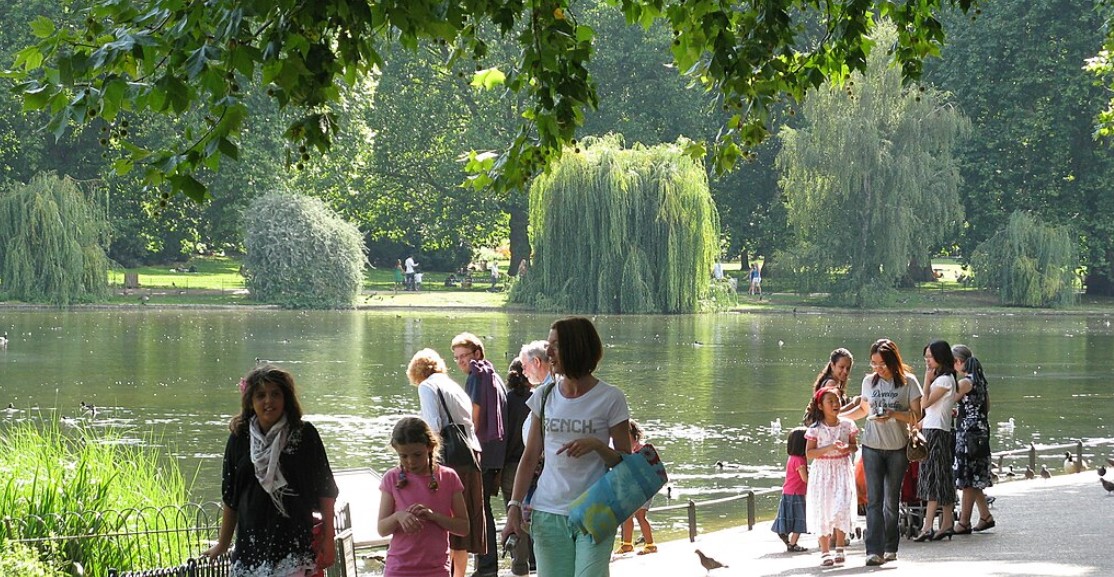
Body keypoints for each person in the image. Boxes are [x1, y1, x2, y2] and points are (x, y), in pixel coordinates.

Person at [502, 317, 632, 577]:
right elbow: (529, 457)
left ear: (578, 348)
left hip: (596, 509)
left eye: (556, 346)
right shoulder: (545, 394)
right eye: (549, 345)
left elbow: (626, 464)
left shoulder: (611, 398)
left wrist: (597, 446)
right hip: (548, 510)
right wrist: (514, 508)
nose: (549, 353)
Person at [202, 366, 339, 577]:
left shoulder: (304, 435)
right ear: (250, 401)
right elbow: (231, 497)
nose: (269, 401)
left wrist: (328, 538)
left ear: (286, 398)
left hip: (294, 545)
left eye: (276, 394)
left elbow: (326, 491)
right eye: (261, 395)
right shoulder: (239, 438)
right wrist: (222, 544)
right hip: (250, 547)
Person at [841, 338, 922, 567]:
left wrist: (894, 414)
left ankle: (890, 546)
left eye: (882, 364)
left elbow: (917, 415)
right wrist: (837, 418)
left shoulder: (908, 383)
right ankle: (873, 550)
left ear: (892, 361)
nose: (877, 368)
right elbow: (863, 410)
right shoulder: (869, 381)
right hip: (872, 447)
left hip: (897, 448)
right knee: (874, 500)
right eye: (874, 363)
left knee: (891, 501)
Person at [407, 349, 486, 577]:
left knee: (445, 519)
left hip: (451, 459)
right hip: (471, 455)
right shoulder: (453, 385)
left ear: (416, 372)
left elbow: (433, 427)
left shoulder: (427, 386)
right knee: (463, 525)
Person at [378, 417, 470, 577]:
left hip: (437, 569)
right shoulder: (391, 478)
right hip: (398, 569)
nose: (411, 461)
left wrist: (433, 516)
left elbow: (463, 528)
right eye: (403, 456)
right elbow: (382, 529)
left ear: (430, 447)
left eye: (417, 455)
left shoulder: (448, 477)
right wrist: (398, 516)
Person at [450, 333, 507, 577]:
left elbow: (475, 415)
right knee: (485, 510)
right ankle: (487, 565)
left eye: (464, 356)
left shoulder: (477, 376)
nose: (462, 362)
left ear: (477, 353)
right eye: (457, 358)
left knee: (479, 510)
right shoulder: (493, 375)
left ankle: (485, 568)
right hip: (497, 453)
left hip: (482, 453)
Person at [805, 387, 858, 567]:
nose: (835, 404)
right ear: (820, 406)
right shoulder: (815, 429)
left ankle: (841, 547)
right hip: (823, 471)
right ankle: (825, 551)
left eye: (837, 400)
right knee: (823, 508)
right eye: (830, 401)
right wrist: (828, 448)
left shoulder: (847, 424)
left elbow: (854, 446)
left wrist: (847, 448)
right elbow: (809, 453)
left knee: (842, 505)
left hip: (842, 468)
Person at [912, 340, 959, 542]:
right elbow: (933, 412)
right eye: (926, 358)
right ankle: (946, 522)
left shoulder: (943, 381)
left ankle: (928, 525)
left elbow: (925, 403)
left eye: (930, 357)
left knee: (933, 477)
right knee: (942, 476)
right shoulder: (945, 379)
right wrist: (919, 425)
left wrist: (926, 379)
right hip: (934, 428)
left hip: (937, 433)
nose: (927, 362)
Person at [950, 344, 995, 535]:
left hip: (968, 433)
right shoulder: (980, 382)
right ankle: (985, 516)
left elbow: (948, 399)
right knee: (975, 475)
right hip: (981, 431)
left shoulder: (965, 383)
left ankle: (964, 522)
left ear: (959, 362)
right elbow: (987, 407)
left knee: (967, 476)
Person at [502, 358, 535, 576]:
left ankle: (520, 566)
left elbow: (501, 436)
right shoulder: (537, 400)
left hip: (511, 466)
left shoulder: (505, 401)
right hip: (534, 465)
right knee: (534, 514)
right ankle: (536, 561)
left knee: (515, 516)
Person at [615, 420, 657, 556]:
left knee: (640, 515)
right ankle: (627, 544)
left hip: (645, 488)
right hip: (633, 489)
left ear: (633, 435)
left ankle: (650, 544)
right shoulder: (626, 451)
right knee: (627, 516)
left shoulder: (642, 449)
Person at [772, 427, 809, 553]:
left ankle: (784, 533)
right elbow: (804, 478)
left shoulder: (792, 458)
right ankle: (792, 544)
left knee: (788, 516)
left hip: (788, 491)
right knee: (800, 518)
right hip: (796, 494)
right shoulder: (800, 460)